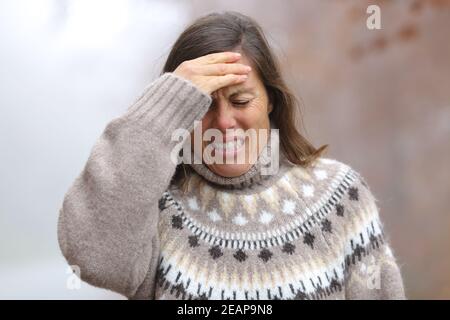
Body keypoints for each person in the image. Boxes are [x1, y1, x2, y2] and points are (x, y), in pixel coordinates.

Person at [57, 11, 405, 300]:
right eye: (202, 105)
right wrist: (168, 99)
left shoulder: (340, 197)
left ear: (271, 100)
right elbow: (92, 256)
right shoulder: (154, 212)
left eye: (240, 101)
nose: (223, 123)